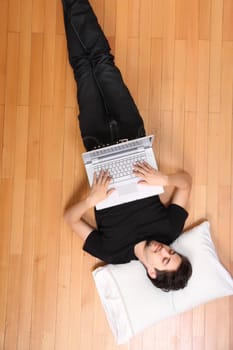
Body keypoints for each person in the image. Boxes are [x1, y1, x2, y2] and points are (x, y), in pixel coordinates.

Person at [62, 0, 192, 292]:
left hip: (97, 145)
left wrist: (90, 201)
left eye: (164, 259)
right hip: (133, 137)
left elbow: (70, 219)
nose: (164, 250)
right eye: (171, 253)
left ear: (152, 273)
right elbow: (186, 184)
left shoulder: (113, 253)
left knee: (83, 70)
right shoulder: (170, 231)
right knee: (103, 61)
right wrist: (165, 179)